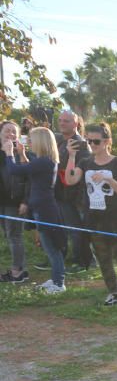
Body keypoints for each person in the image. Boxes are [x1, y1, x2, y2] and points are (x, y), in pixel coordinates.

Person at [66, 123, 117, 309]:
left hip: (116, 218)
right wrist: (72, 155)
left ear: (107, 141)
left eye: (96, 141)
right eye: (89, 141)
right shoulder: (85, 162)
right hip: (94, 218)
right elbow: (70, 180)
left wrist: (108, 179)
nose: (92, 144)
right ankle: (113, 293)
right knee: (103, 258)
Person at [3, 127, 66, 294]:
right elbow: (28, 170)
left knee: (53, 249)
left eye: (31, 139)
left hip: (45, 210)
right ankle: (56, 279)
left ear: (40, 141)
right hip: (42, 208)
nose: (28, 142)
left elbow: (14, 170)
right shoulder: (43, 161)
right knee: (49, 248)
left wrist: (9, 153)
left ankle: (59, 283)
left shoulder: (44, 161)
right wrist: (22, 154)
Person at [54, 110, 93, 273]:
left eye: (67, 121)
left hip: (76, 195)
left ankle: (83, 262)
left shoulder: (81, 143)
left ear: (76, 124)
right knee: (67, 228)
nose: (62, 123)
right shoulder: (60, 141)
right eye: (61, 120)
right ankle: (74, 259)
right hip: (61, 194)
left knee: (77, 230)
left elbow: (84, 170)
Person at [0, 121, 30, 283]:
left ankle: (17, 271)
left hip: (15, 202)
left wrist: (25, 201)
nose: (11, 134)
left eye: (14, 132)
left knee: (14, 235)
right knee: (8, 234)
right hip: (1, 203)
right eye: (7, 131)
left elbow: (30, 180)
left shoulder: (21, 154)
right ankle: (18, 267)